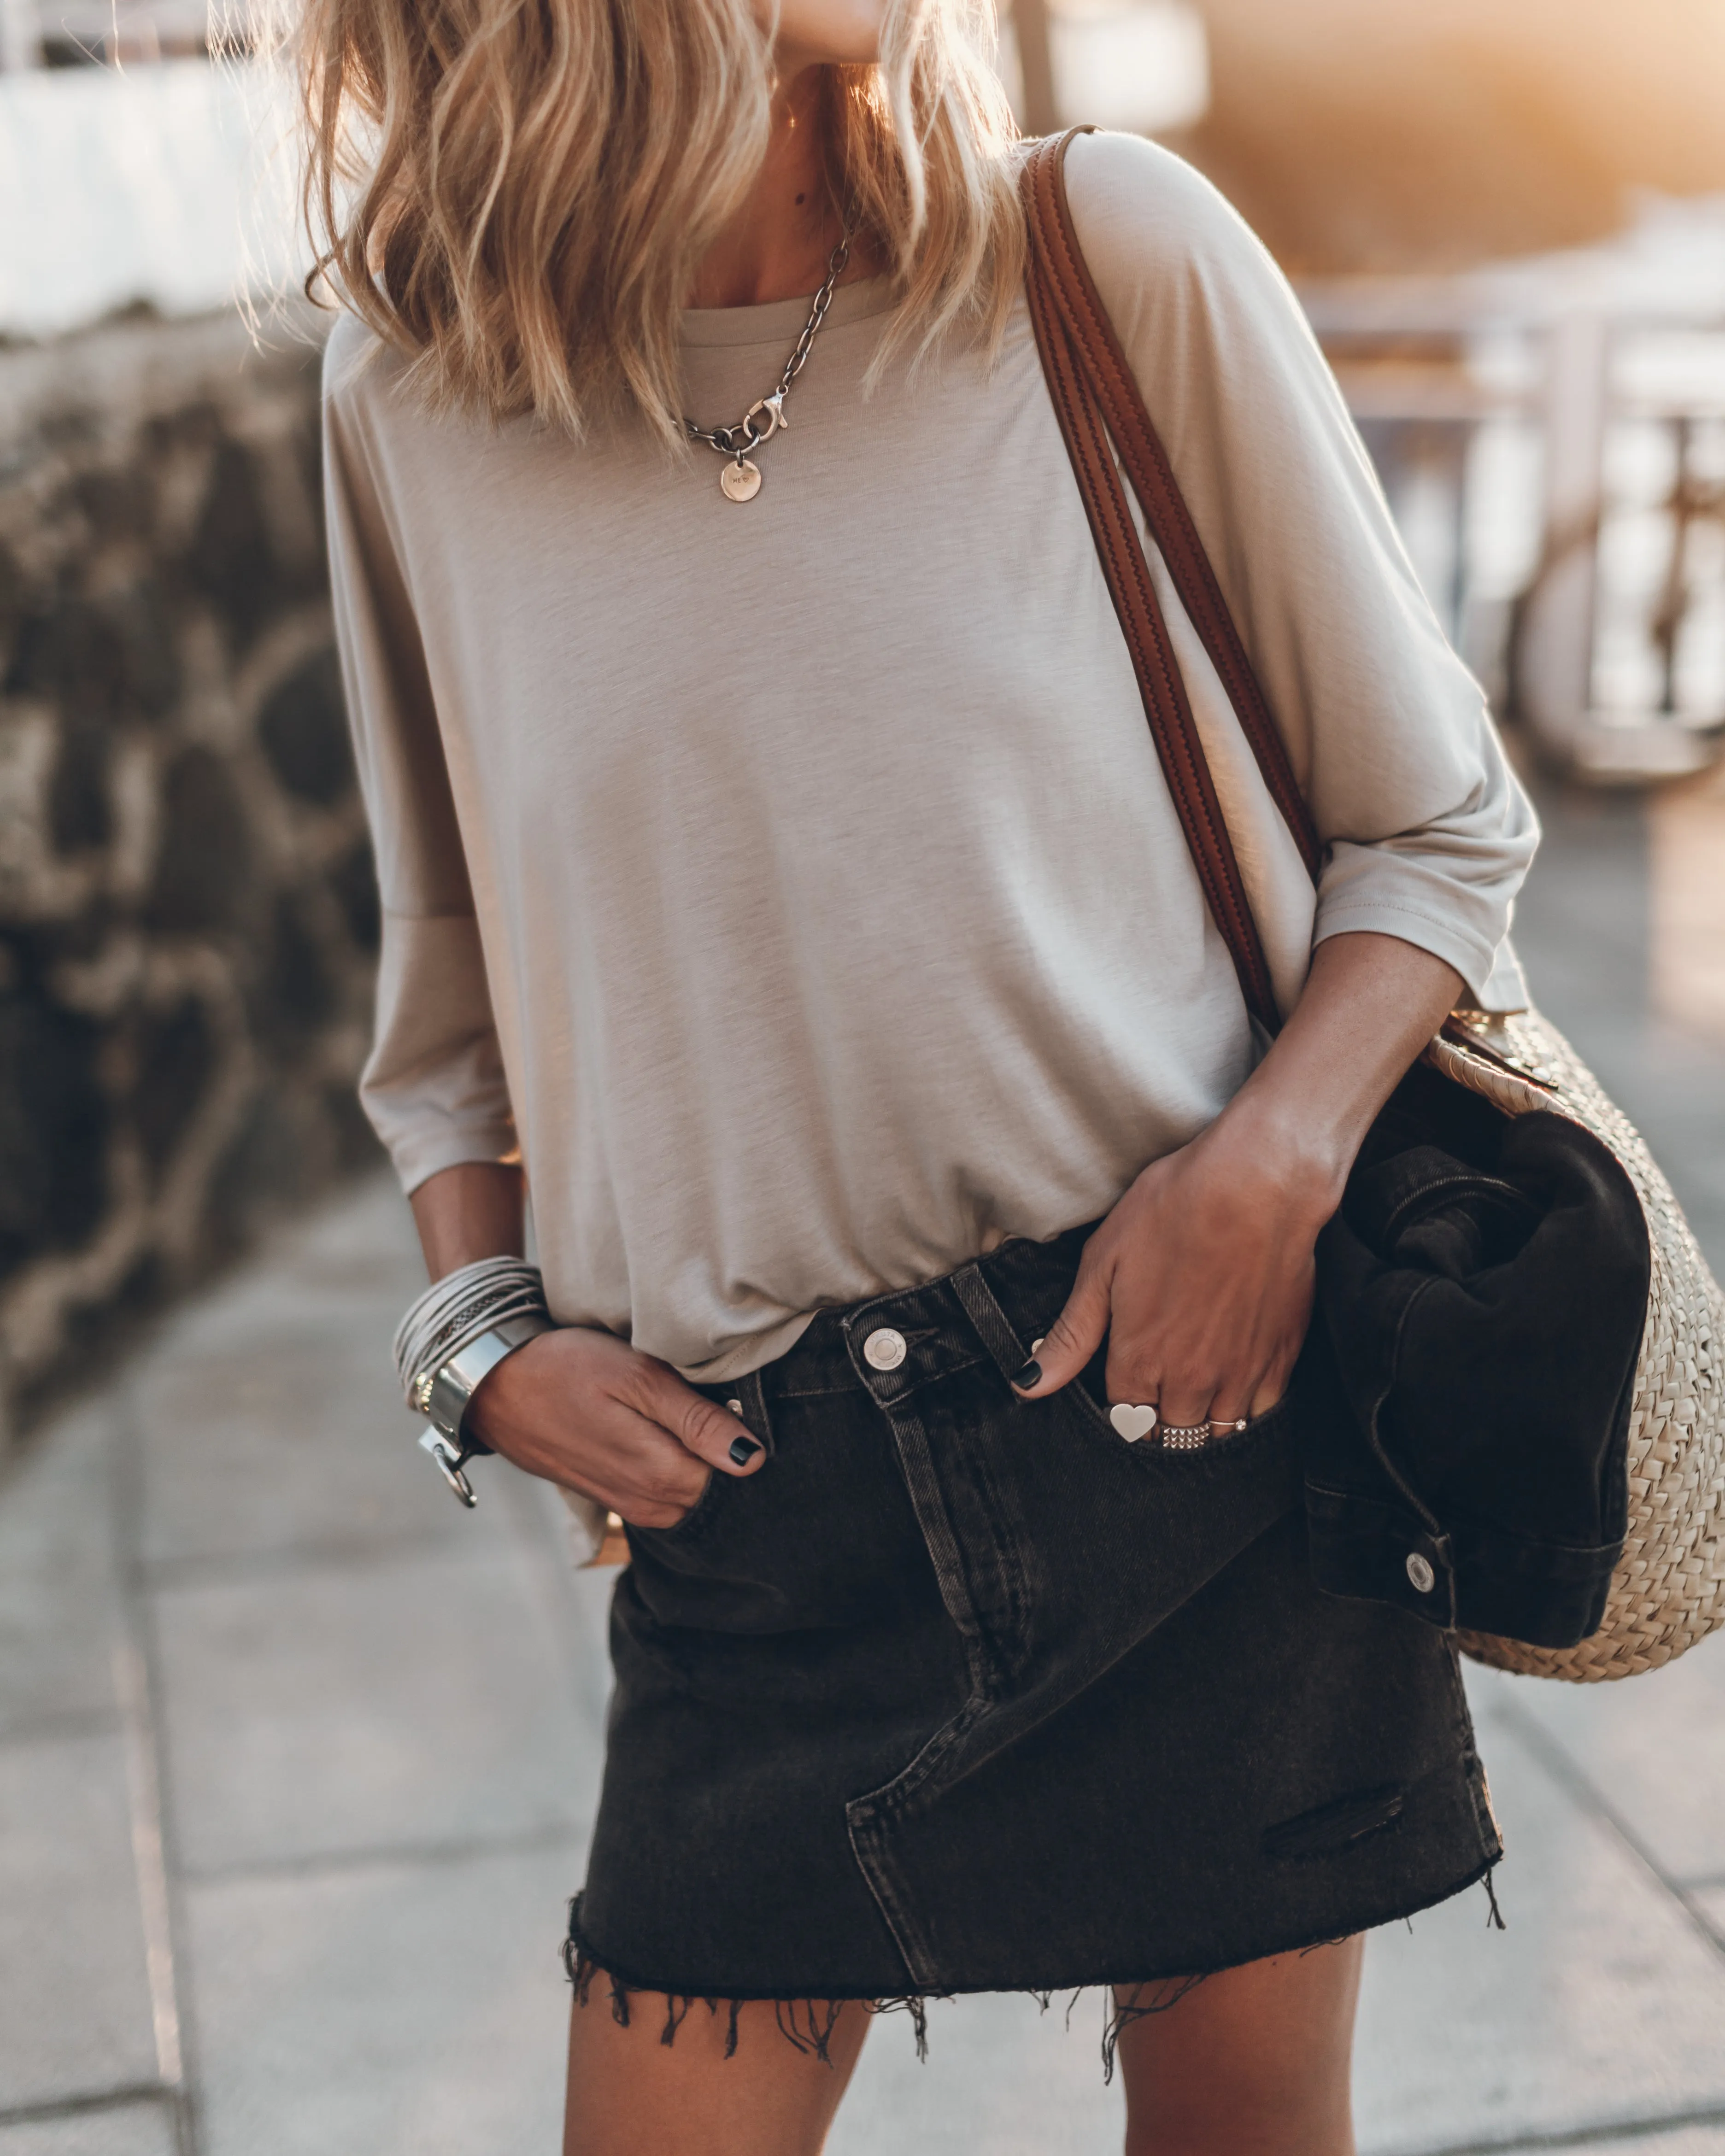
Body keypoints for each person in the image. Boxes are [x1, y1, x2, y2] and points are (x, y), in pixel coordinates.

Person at [305, 0, 1537, 2138]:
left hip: (1189, 1410)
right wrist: (476, 1343)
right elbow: (447, 998)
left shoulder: (1096, 252)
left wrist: (1276, 1161)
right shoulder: (409, 391)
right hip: (762, 1515)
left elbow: (1432, 827)